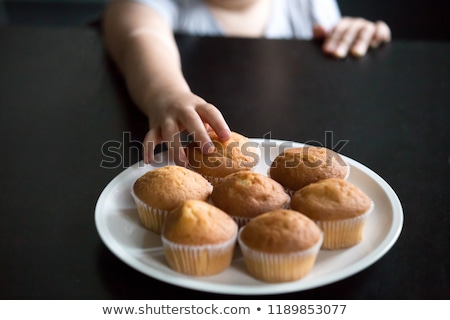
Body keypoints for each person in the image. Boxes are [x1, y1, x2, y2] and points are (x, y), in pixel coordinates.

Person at [102, 0, 391, 166]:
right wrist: (165, 92)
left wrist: (353, 33)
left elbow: (333, 46)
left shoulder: (308, 5)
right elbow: (140, 36)